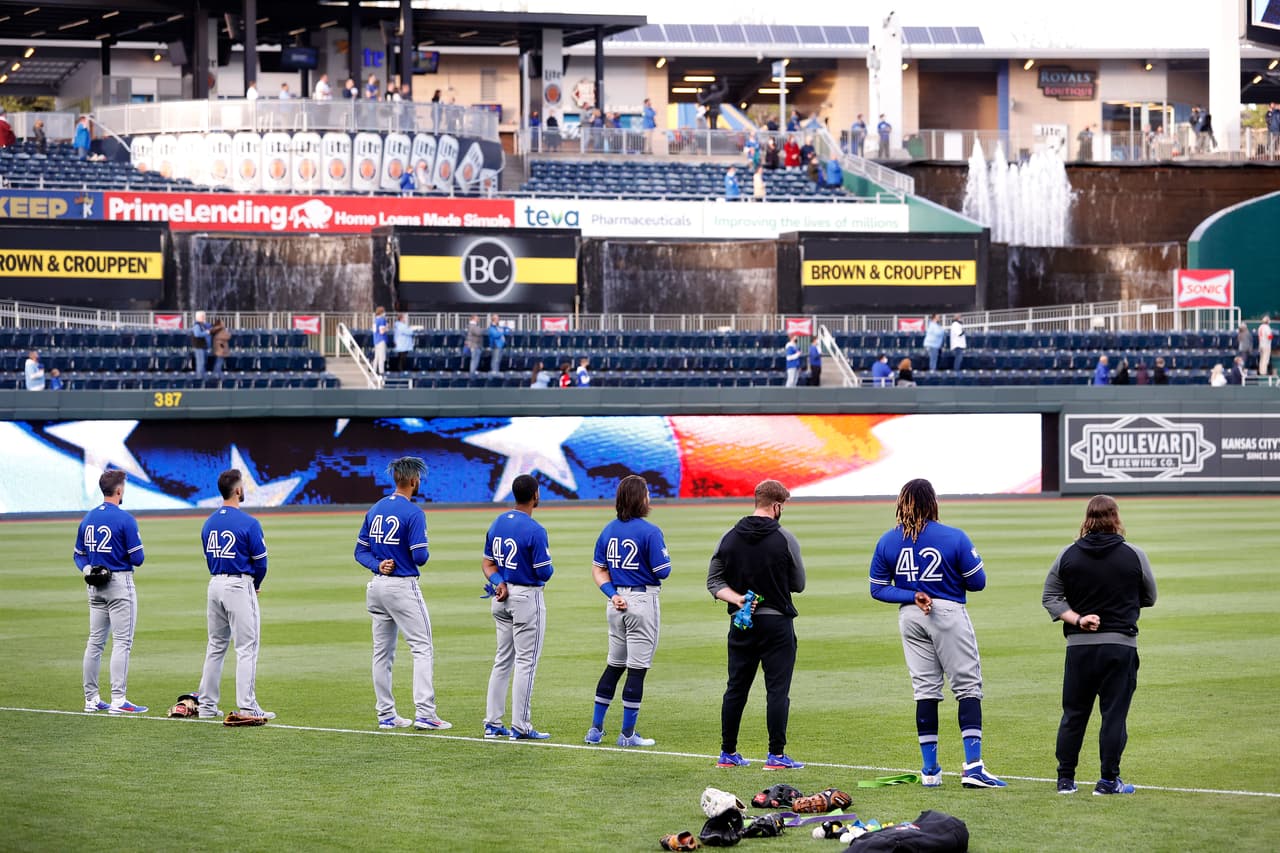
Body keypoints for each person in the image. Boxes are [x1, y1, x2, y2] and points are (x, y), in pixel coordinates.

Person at [869, 478, 1007, 788]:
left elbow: (877, 590)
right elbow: (978, 582)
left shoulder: (887, 541)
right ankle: (974, 768)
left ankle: (930, 771)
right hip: (946, 612)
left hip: (909, 615)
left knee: (925, 690)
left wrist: (911, 594)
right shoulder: (953, 537)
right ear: (933, 503)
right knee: (967, 687)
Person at [1042, 495, 1157, 796]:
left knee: (1074, 714)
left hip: (1079, 648)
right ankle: (1108, 781)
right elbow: (1150, 597)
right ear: (1116, 517)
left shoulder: (1068, 554)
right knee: (1114, 715)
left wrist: (1079, 618)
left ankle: (1065, 780)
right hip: (1120, 646)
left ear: (1087, 518)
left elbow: (1050, 597)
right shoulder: (1134, 554)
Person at [707, 479, 806, 770]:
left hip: (741, 623)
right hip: (776, 623)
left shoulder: (729, 536)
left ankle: (728, 753)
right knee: (777, 690)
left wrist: (738, 599)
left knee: (736, 687)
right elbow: (799, 583)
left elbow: (714, 581)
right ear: (776, 506)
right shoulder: (785, 538)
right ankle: (776, 755)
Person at [356, 457, 450, 731]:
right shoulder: (413, 513)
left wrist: (377, 564)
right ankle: (425, 713)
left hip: (377, 586)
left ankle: (386, 714)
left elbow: (360, 551)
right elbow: (420, 556)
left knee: (381, 654)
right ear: (412, 480)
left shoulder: (375, 509)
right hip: (401, 587)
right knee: (422, 648)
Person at [583, 476, 671, 748]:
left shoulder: (608, 530)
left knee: (614, 665)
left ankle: (595, 731)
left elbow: (599, 570)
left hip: (616, 601)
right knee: (637, 670)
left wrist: (613, 595)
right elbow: (663, 571)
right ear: (640, 499)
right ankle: (627, 734)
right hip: (642, 601)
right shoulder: (650, 531)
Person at [481, 474, 555, 740]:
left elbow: (488, 564)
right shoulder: (535, 530)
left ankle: (492, 723)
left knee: (503, 660)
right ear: (535, 495)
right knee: (526, 662)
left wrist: (499, 581)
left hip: (501, 597)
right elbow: (544, 572)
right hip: (526, 599)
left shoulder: (499, 521)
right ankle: (521, 726)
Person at [197, 469, 273, 721]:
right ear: (238, 490)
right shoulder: (249, 523)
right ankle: (248, 707)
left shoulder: (209, 522)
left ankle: (206, 705)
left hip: (215, 584)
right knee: (246, 648)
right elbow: (261, 562)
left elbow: (208, 557)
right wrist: (257, 583)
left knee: (216, 646)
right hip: (239, 585)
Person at [75, 470, 147, 715]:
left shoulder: (89, 517)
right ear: (118, 490)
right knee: (122, 642)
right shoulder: (125, 519)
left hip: (94, 584)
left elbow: (78, 554)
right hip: (119, 584)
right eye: (123, 487)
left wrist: (87, 568)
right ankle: (119, 700)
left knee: (95, 642)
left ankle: (91, 699)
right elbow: (138, 558)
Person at [191, 310, 211, 379]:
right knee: (200, 364)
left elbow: (210, 326)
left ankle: (202, 378)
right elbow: (197, 334)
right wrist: (206, 333)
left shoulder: (203, 325)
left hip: (203, 347)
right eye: (203, 316)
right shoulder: (197, 326)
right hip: (199, 347)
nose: (204, 318)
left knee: (203, 363)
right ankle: (199, 378)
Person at [372, 306, 388, 377]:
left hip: (376, 340)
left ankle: (374, 371)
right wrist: (387, 328)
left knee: (376, 358)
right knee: (381, 358)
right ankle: (381, 373)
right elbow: (382, 331)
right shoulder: (382, 320)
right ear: (381, 312)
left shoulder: (375, 320)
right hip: (381, 340)